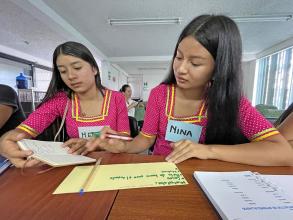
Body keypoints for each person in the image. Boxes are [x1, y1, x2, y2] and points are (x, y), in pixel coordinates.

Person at [86, 14, 293, 166]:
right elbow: (146, 139)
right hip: (161, 172)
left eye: (195, 63)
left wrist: (208, 151)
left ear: (218, 69)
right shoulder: (160, 94)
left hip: (203, 179)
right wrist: (122, 146)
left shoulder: (232, 102)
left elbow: (284, 153)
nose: (181, 69)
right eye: (178, 57)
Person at [0, 41, 130, 168]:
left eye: (77, 68)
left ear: (94, 69)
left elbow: (124, 137)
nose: (71, 76)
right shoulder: (61, 100)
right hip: (76, 166)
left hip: (112, 164)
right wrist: (7, 140)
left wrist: (95, 141)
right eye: (63, 71)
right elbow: (25, 129)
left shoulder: (116, 98)